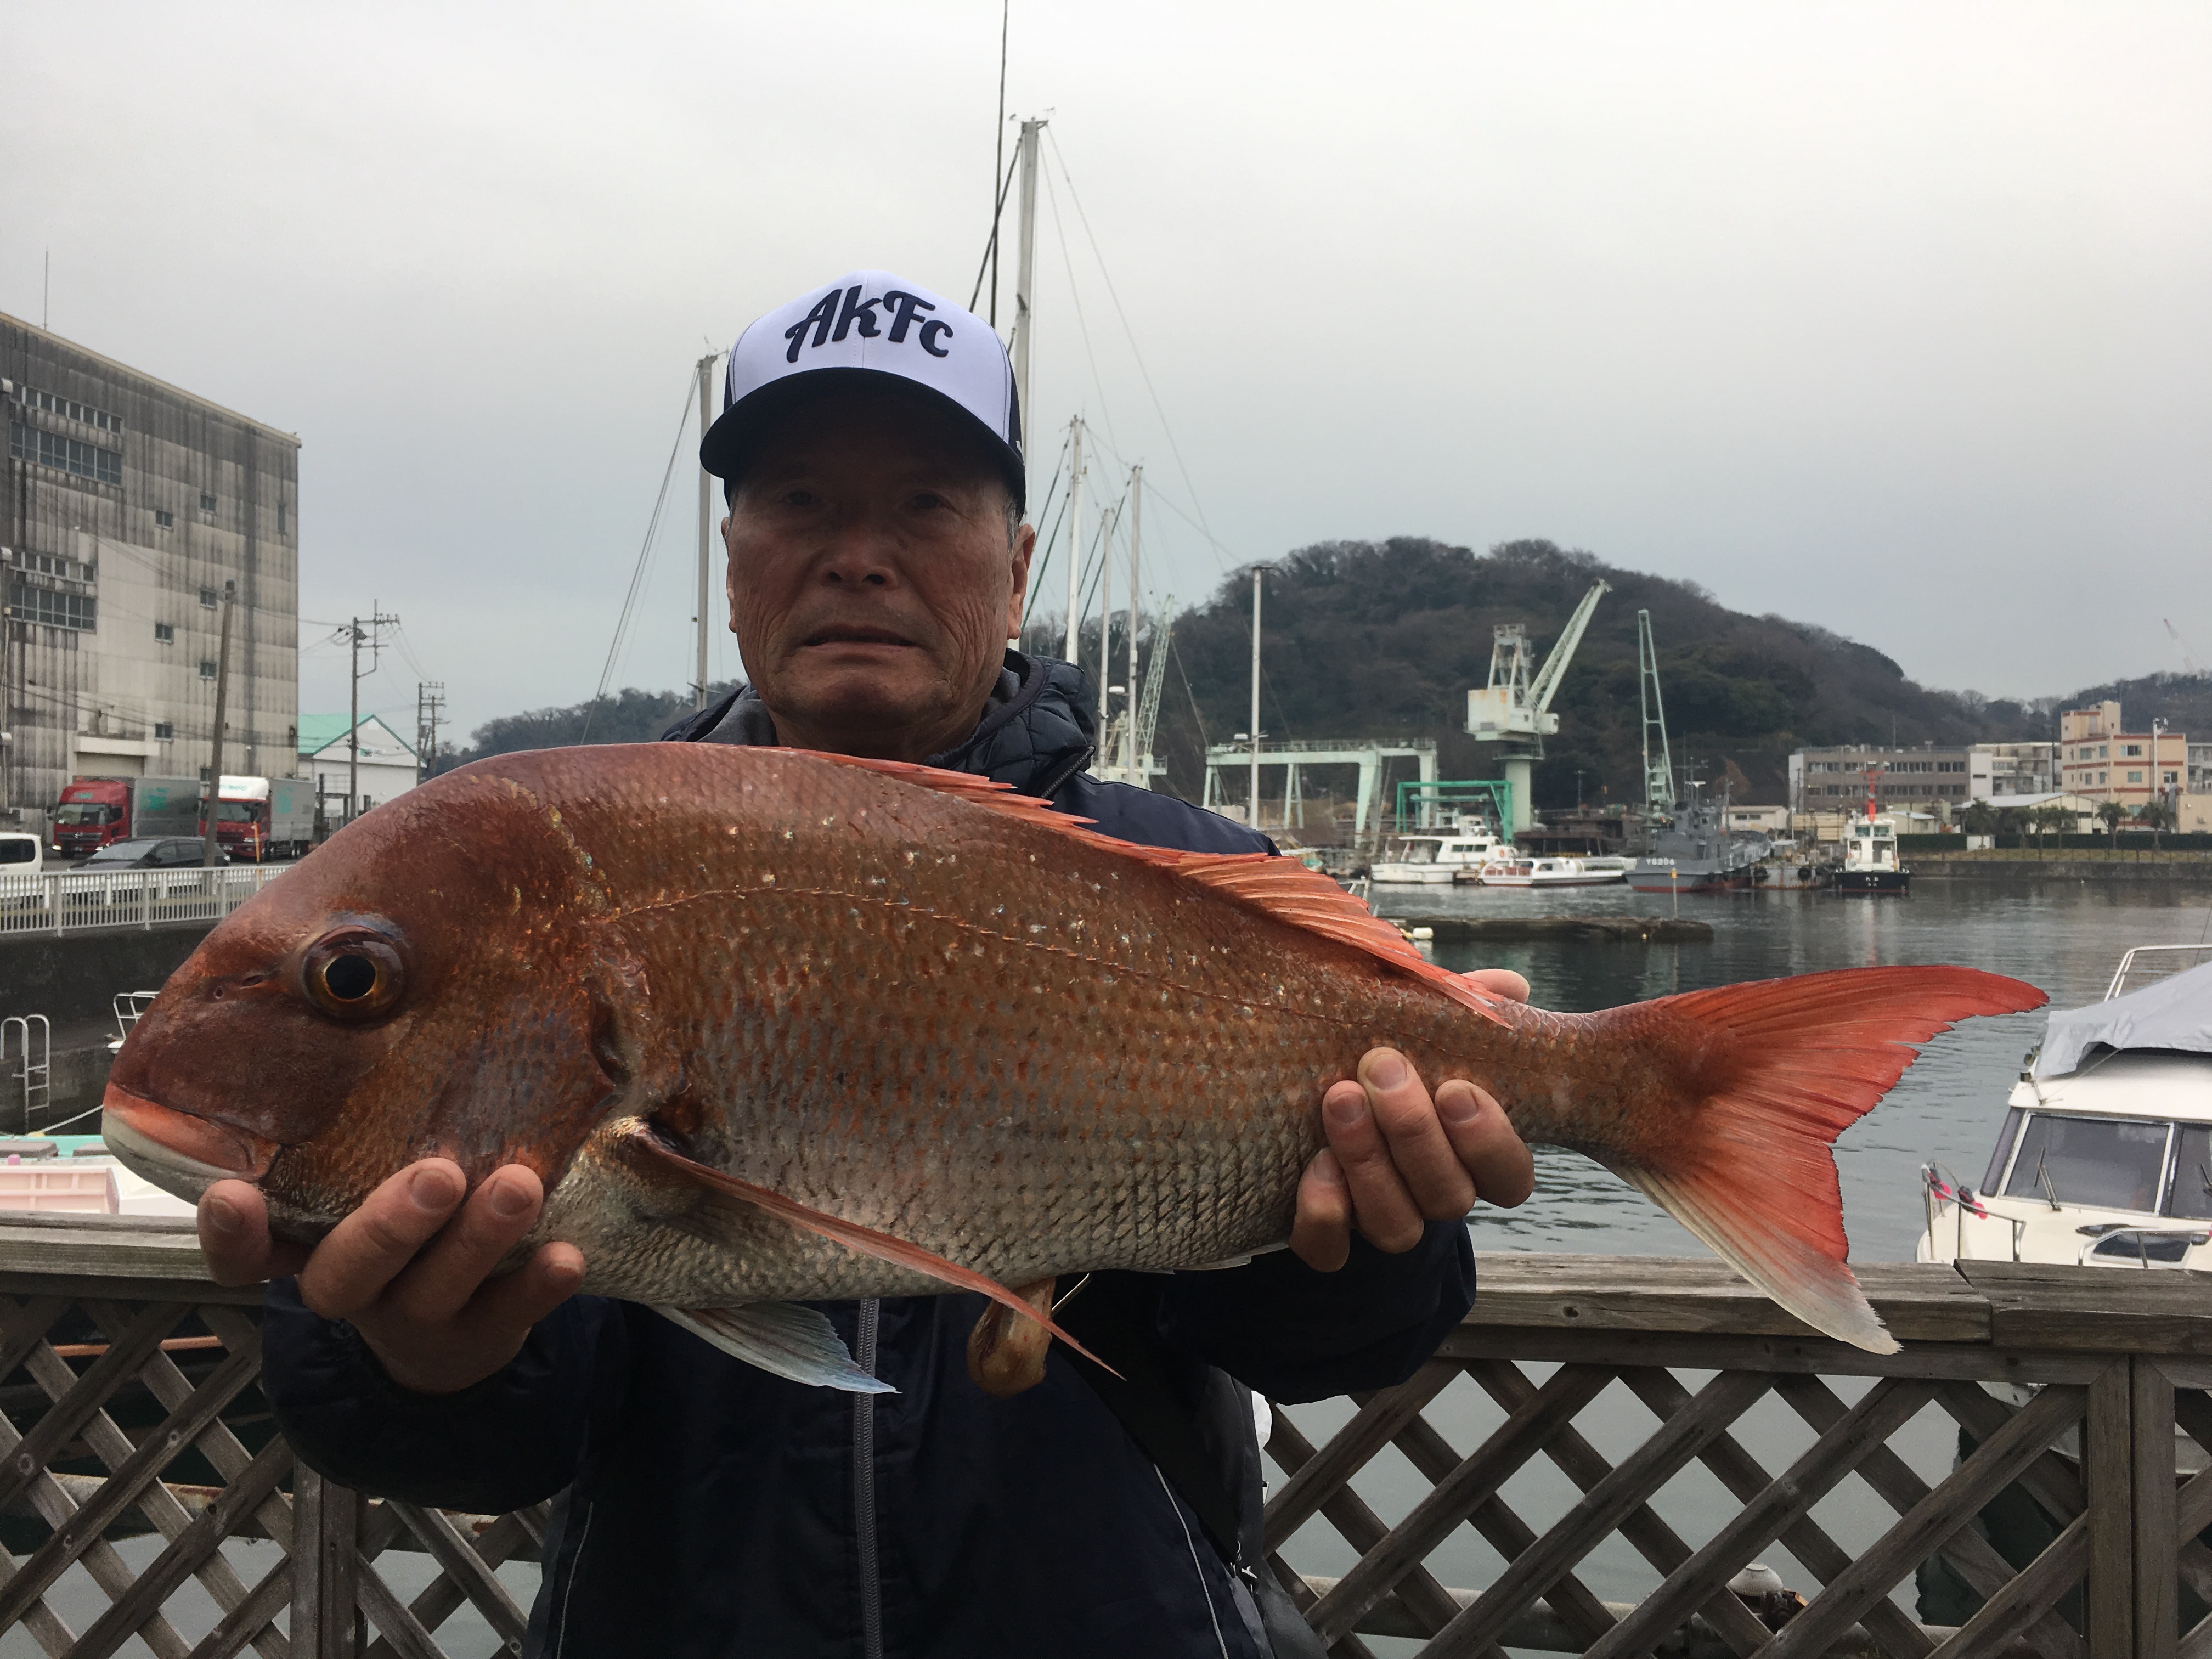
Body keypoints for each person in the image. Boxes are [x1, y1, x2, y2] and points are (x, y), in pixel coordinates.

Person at [206, 272, 1535, 1658]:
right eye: (799, 502)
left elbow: (1330, 1350)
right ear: (732, 560)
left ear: (1016, 564)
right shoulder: (572, 882)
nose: (858, 555)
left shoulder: (1194, 875)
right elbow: (492, 1448)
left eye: (925, 505)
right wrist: (414, 1362)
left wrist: (1372, 1241)